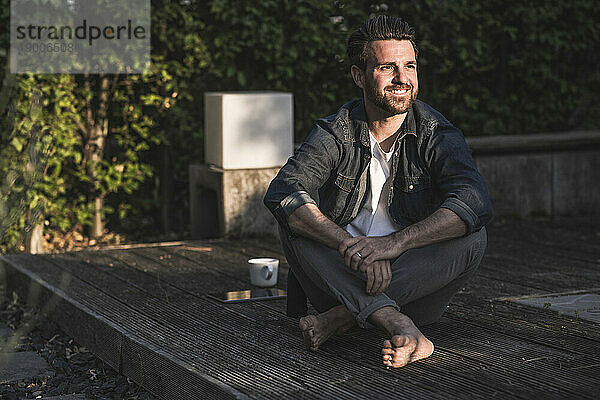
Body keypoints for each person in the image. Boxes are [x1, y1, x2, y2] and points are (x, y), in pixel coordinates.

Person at [264, 15, 493, 368]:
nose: (403, 78)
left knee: (472, 238)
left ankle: (342, 319)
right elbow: (284, 192)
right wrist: (351, 246)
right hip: (340, 274)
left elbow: (473, 202)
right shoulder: (335, 131)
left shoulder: (437, 132)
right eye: (388, 67)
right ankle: (396, 322)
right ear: (359, 75)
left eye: (410, 66)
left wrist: (395, 245)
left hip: (411, 279)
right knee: (295, 225)